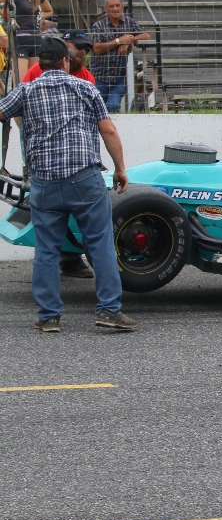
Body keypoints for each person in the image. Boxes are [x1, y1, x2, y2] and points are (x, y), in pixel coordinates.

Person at [0, 37, 135, 333]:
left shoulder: (26, 90)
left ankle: (49, 316)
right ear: (64, 61)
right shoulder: (85, 88)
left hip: (44, 181)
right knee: (99, 243)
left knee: (47, 248)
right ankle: (109, 310)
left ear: (40, 64)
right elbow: (108, 130)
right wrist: (120, 169)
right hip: (83, 178)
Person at [21, 31, 99, 279]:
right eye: (78, 47)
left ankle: (70, 256)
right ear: (66, 53)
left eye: (85, 49)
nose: (82, 53)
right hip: (44, 150)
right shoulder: (37, 72)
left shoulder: (87, 77)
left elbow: (94, 120)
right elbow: (20, 106)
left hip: (75, 154)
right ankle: (71, 258)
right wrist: (29, 138)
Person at [90, 0, 151, 113]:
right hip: (99, 77)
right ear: (106, 8)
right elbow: (97, 48)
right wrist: (118, 41)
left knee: (112, 106)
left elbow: (146, 36)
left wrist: (129, 40)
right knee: (97, 108)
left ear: (122, 6)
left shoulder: (129, 22)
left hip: (118, 78)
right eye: (111, 6)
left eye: (117, 5)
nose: (115, 8)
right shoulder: (98, 26)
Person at [0, 0, 54, 78]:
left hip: (36, 38)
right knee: (21, 79)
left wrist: (39, 17)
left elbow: (49, 11)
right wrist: (9, 17)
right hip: (20, 39)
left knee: (35, 79)